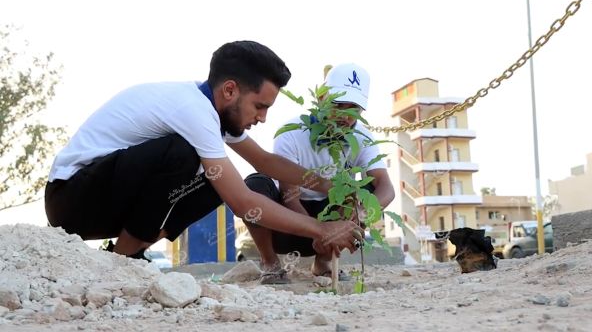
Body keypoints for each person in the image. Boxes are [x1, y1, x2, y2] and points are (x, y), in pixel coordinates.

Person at [45, 41, 361, 264]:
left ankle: (134, 249)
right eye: (260, 106)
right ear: (229, 90)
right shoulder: (193, 111)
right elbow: (243, 202)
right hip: (70, 199)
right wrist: (321, 228)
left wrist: (328, 184)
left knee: (214, 182)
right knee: (189, 157)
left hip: (103, 199)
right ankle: (124, 258)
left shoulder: (211, 111)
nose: (262, 118)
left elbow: (264, 161)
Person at [244, 63, 395, 283]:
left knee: (366, 191)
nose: (345, 115)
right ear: (322, 99)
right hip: (288, 224)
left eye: (354, 108)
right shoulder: (293, 133)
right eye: (338, 104)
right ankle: (270, 263)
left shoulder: (362, 137)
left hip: (334, 223)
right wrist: (318, 232)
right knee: (254, 185)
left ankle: (323, 262)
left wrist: (358, 218)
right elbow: (290, 197)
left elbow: (386, 187)